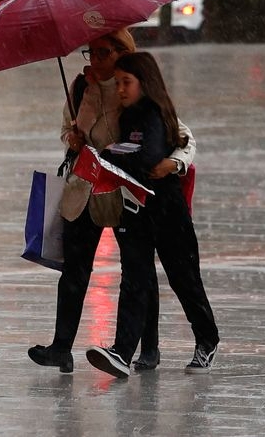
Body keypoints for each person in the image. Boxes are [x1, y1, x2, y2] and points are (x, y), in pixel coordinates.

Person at [28, 28, 197, 373]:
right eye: (91, 52)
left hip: (125, 193)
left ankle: (148, 347)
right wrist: (71, 139)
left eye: (103, 52)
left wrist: (174, 163)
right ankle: (61, 347)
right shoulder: (79, 88)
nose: (96, 60)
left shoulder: (137, 90)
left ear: (122, 52)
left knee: (138, 271)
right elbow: (66, 129)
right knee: (74, 270)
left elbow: (182, 136)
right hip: (84, 188)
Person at [85, 51, 219, 378]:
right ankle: (122, 351)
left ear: (145, 83)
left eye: (126, 82)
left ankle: (207, 339)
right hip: (135, 211)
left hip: (168, 212)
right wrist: (107, 155)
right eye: (117, 83)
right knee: (135, 280)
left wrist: (112, 158)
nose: (120, 89)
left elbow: (149, 156)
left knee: (184, 279)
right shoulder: (127, 116)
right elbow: (127, 154)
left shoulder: (156, 113)